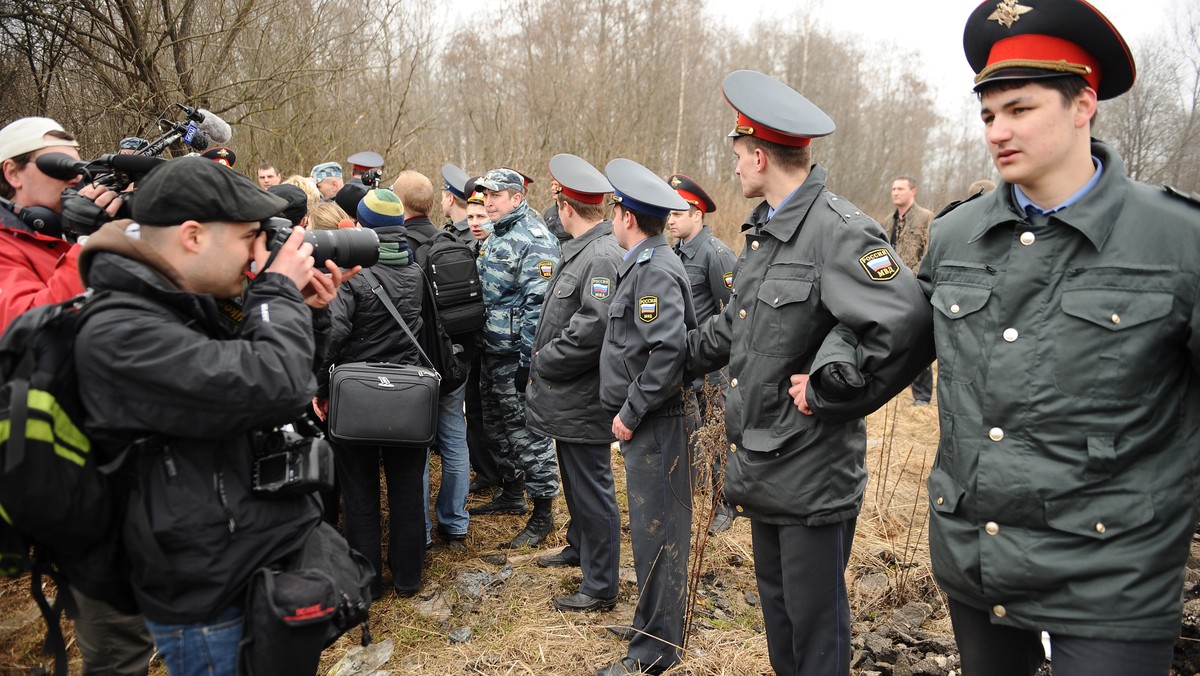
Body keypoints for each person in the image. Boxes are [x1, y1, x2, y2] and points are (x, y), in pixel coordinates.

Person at [912, 2, 1200, 674]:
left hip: (1112, 575)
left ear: (1083, 105)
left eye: (1020, 109)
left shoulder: (1176, 240)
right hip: (977, 554)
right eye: (987, 115)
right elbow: (893, 340)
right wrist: (827, 375)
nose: (998, 131)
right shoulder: (957, 235)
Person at [685, 70, 931, 676]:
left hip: (812, 469)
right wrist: (671, 355)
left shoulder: (838, 230)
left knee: (816, 631)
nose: (737, 168)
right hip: (764, 461)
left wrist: (831, 393)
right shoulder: (766, 231)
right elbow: (742, 326)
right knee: (781, 623)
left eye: (741, 157)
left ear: (762, 156)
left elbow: (910, 325)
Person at [73, 156, 348, 675]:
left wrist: (306, 313)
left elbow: (278, 395)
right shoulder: (121, 329)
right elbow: (270, 381)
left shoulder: (182, 302)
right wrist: (277, 293)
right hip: (208, 595)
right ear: (193, 235)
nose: (257, 253)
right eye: (249, 236)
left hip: (240, 566)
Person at [0, 116, 152, 675]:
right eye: (55, 163)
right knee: (119, 641)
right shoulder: (8, 245)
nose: (74, 176)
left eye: (78, 161)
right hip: (67, 461)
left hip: (131, 447)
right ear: (11, 173)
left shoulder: (67, 232)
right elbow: (22, 332)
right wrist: (87, 245)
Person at [596, 158, 694, 676]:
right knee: (651, 532)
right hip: (650, 422)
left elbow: (667, 352)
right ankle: (649, 626)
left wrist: (631, 410)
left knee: (659, 535)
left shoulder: (653, 268)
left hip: (656, 421)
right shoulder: (643, 261)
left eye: (615, 210)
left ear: (627, 217)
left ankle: (654, 652)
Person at [314, 188, 428, 599]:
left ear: (363, 227)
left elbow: (336, 335)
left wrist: (320, 388)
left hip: (357, 397)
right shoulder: (416, 272)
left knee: (360, 493)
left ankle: (367, 583)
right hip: (408, 398)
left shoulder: (354, 274)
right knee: (406, 490)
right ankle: (408, 577)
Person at [525, 154, 624, 612]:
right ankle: (580, 546)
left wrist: (546, 360)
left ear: (566, 207)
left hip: (584, 398)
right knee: (575, 480)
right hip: (570, 399)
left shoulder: (601, 256)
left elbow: (592, 328)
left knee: (592, 487)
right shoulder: (583, 250)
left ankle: (601, 584)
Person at [468, 167, 561, 549]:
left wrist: (527, 363)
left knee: (527, 434)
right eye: (485, 195)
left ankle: (543, 511)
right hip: (492, 349)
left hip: (517, 357)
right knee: (496, 427)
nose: (487, 201)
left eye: (495, 195)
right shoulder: (496, 234)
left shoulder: (534, 240)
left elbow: (538, 310)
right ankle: (511, 492)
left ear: (516, 198)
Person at [390, 169, 474, 552]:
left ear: (402, 205)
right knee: (455, 439)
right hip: (457, 361)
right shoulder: (451, 241)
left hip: (418, 364)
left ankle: (421, 528)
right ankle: (455, 523)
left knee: (418, 448)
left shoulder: (398, 249)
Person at [665, 173, 737, 534]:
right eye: (670, 213)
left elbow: (733, 314)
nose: (671, 219)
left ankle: (725, 503)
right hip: (686, 360)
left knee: (718, 430)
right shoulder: (676, 253)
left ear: (698, 214)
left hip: (714, 366)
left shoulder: (716, 253)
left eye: (679, 213)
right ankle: (696, 490)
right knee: (692, 432)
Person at [883, 175, 935, 406]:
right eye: (893, 188)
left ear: (913, 192)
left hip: (918, 288)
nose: (896, 192)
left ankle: (922, 397)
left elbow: (931, 252)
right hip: (891, 288)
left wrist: (920, 280)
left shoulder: (926, 219)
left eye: (901, 188)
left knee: (919, 339)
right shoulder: (886, 222)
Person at [440, 163, 472, 238]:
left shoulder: (475, 235)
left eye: (443, 198)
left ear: (451, 199)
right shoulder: (444, 230)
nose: (441, 202)